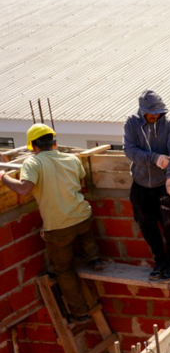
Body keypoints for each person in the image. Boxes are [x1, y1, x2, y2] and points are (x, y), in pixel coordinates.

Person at [0, 124, 104, 323]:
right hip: (83, 218)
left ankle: (80, 313)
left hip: (58, 228)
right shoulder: (71, 158)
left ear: (33, 147)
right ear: (54, 143)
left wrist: (3, 176)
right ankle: (95, 258)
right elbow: (81, 182)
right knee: (82, 227)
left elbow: (24, 190)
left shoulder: (33, 163)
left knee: (64, 270)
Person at [123, 91, 170, 283]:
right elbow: (130, 151)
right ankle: (160, 261)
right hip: (140, 185)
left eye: (158, 112)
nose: (155, 116)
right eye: (151, 113)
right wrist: (154, 158)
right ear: (142, 112)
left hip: (163, 186)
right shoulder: (132, 124)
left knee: (169, 226)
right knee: (147, 227)